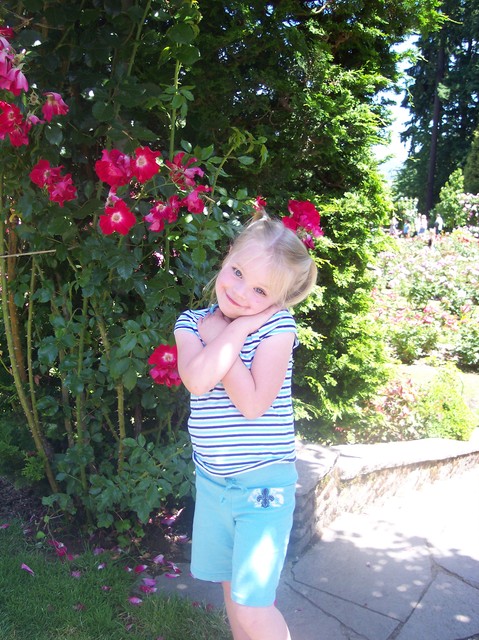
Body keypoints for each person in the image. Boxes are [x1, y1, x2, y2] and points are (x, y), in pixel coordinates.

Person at [174, 213, 317, 640]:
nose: (239, 292)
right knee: (234, 602)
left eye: (260, 291)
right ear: (227, 257)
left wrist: (235, 330)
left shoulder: (276, 326)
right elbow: (198, 379)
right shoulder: (191, 323)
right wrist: (235, 329)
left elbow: (254, 404)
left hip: (263, 489)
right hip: (213, 484)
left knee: (253, 608)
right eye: (237, 272)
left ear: (277, 301)